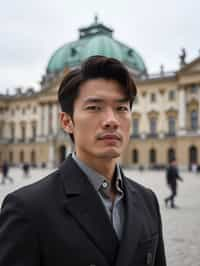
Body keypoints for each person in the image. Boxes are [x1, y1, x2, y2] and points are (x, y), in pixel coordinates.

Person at [0, 56, 166, 266]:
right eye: (94, 108)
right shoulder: (27, 208)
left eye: (121, 108)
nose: (111, 121)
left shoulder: (147, 200)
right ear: (67, 122)